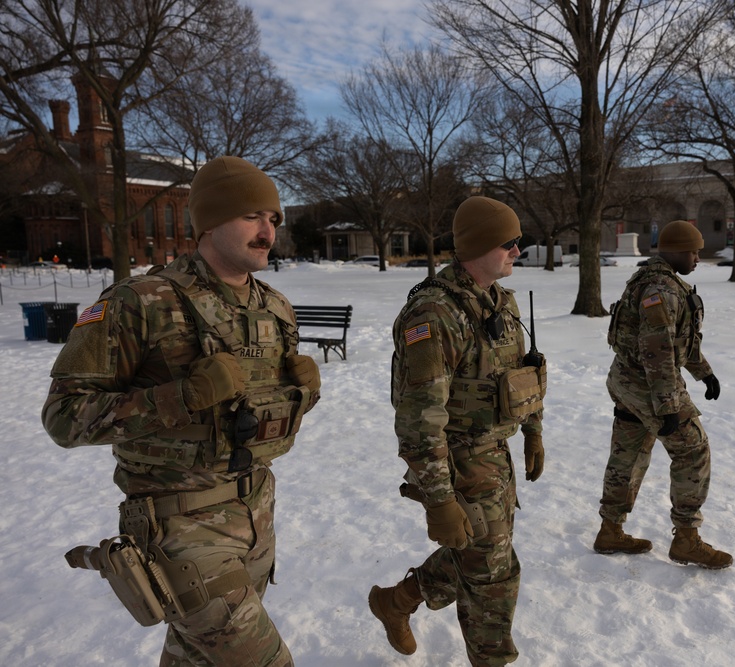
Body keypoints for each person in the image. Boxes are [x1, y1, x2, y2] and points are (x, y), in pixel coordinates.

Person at [42, 156, 321, 666]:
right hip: (180, 530)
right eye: (252, 216)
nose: (267, 231)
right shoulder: (138, 301)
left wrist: (305, 392)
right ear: (209, 223)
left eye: (274, 219)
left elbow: (258, 412)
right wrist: (180, 397)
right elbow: (63, 415)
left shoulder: (275, 307)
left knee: (197, 658)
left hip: (256, 513)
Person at [369, 195, 546, 666]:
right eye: (509, 242)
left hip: (495, 456)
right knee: (493, 572)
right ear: (480, 245)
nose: (517, 250)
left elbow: (521, 376)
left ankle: (397, 601)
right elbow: (418, 419)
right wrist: (440, 498)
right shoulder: (435, 315)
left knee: (479, 554)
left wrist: (533, 431)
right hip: (459, 462)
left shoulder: (499, 303)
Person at [594, 219, 732, 569]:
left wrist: (705, 372)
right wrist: (669, 406)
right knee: (693, 450)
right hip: (647, 385)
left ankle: (610, 529)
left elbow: (676, 341)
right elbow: (656, 350)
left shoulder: (651, 281)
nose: (698, 258)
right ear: (676, 251)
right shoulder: (663, 289)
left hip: (627, 382)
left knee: (629, 451)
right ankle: (687, 538)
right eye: (693, 252)